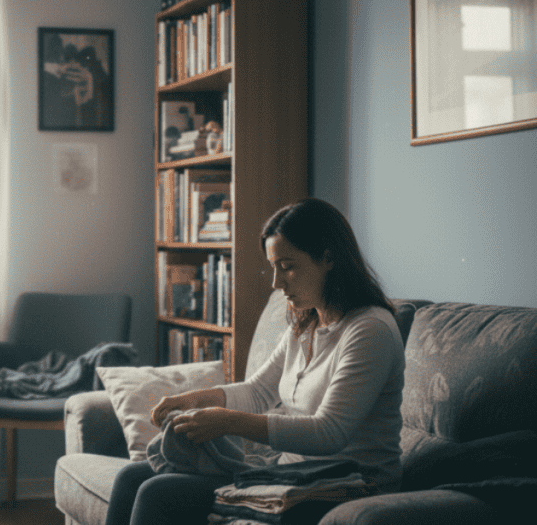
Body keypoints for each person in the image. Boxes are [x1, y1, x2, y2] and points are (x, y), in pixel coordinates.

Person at [105, 198, 405, 525]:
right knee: (131, 477)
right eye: (274, 266)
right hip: (296, 474)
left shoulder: (369, 330)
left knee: (157, 493)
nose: (277, 283)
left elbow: (330, 432)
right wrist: (192, 399)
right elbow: (259, 391)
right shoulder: (305, 322)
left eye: (287, 266)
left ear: (328, 258)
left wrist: (227, 421)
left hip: (348, 484)